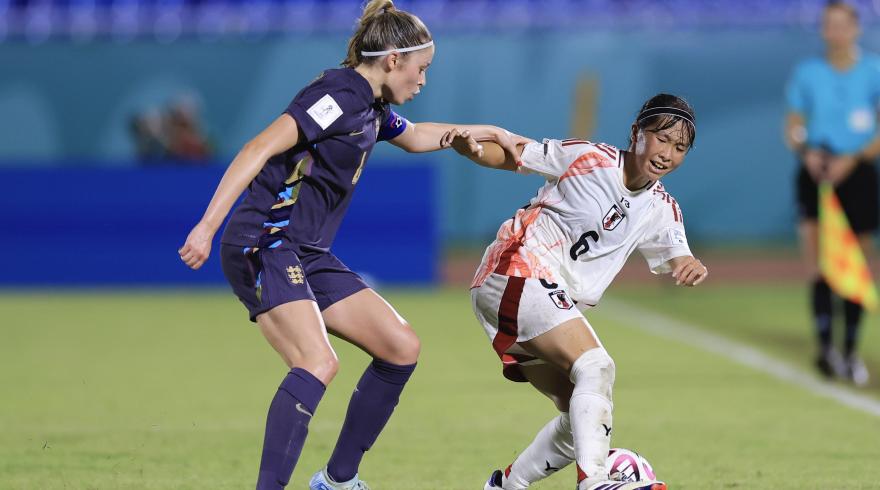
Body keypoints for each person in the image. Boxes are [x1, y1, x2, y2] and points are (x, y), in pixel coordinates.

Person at [177, 1, 518, 489]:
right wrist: (207, 227)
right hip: (266, 242)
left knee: (400, 347)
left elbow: (419, 135)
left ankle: (336, 481)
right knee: (317, 362)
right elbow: (258, 147)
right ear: (393, 59)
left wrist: (497, 133)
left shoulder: (371, 106)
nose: (423, 81)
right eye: (421, 70)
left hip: (306, 252)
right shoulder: (336, 96)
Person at [444, 94, 707, 490]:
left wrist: (688, 264)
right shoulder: (589, 158)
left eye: (680, 147)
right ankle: (596, 482)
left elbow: (677, 251)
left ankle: (505, 486)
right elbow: (516, 155)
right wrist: (473, 152)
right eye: (661, 138)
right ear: (636, 133)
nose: (667, 153)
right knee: (596, 366)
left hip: (530, 297)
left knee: (579, 418)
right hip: (517, 270)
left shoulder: (661, 207)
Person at [784, 0, 880, 386]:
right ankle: (826, 350)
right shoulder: (808, 73)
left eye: (843, 24)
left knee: (856, 265)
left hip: (857, 174)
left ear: (855, 28)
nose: (836, 31)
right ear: (823, 30)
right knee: (818, 262)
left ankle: (852, 350)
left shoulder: (873, 69)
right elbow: (792, 124)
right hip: (817, 172)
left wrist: (853, 159)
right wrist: (806, 151)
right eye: (829, 25)